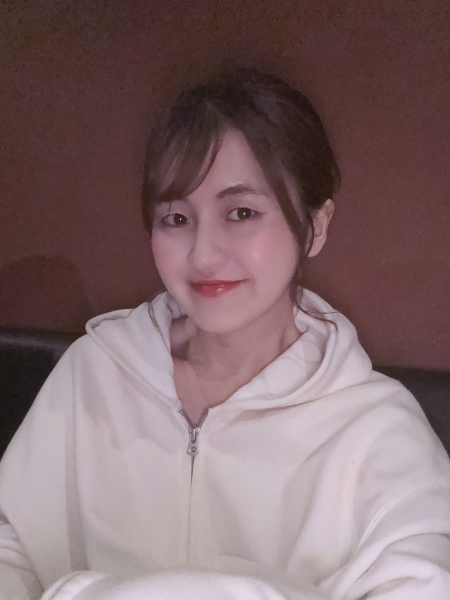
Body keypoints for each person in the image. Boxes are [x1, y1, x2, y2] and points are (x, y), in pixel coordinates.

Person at [1, 69, 450, 600]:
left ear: (316, 226)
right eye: (176, 219)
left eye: (241, 213)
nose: (204, 255)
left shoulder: (376, 430)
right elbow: (12, 546)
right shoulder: (93, 373)